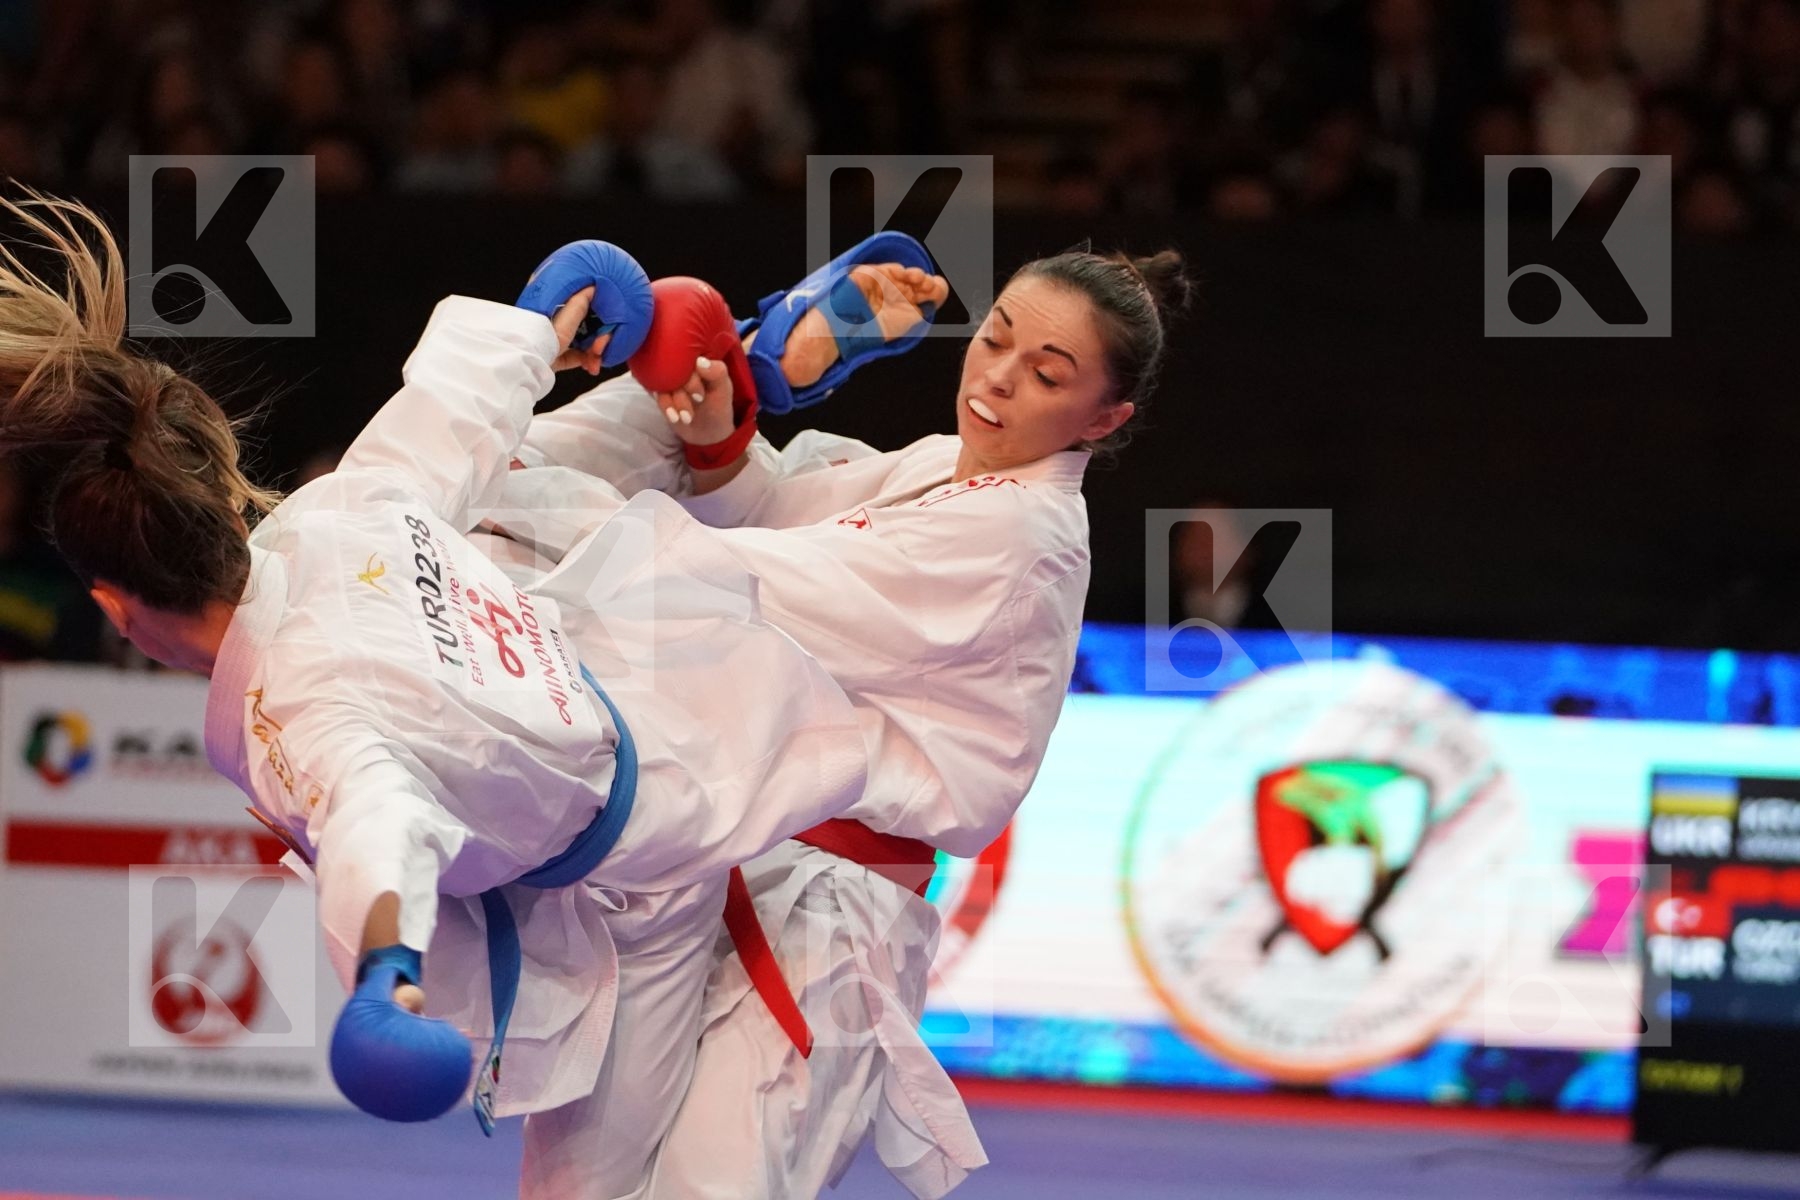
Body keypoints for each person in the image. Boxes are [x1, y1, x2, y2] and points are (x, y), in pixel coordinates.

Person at [0, 194, 872, 1184]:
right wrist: (548, 313)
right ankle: (735, 370)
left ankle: (732, 379)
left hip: (645, 860)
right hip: (620, 649)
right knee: (513, 477)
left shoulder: (294, 714)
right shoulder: (339, 511)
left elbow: (377, 821)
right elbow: (448, 412)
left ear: (115, 608)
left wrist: (385, 976)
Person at [492, 242, 1193, 1198]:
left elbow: (743, 585)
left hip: (827, 915)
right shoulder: (945, 469)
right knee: (577, 1187)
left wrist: (510, 524)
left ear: (1104, 419)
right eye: (995, 339)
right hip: (704, 853)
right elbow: (773, 518)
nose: (998, 379)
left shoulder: (1019, 536)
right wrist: (719, 436)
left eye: (1046, 375)